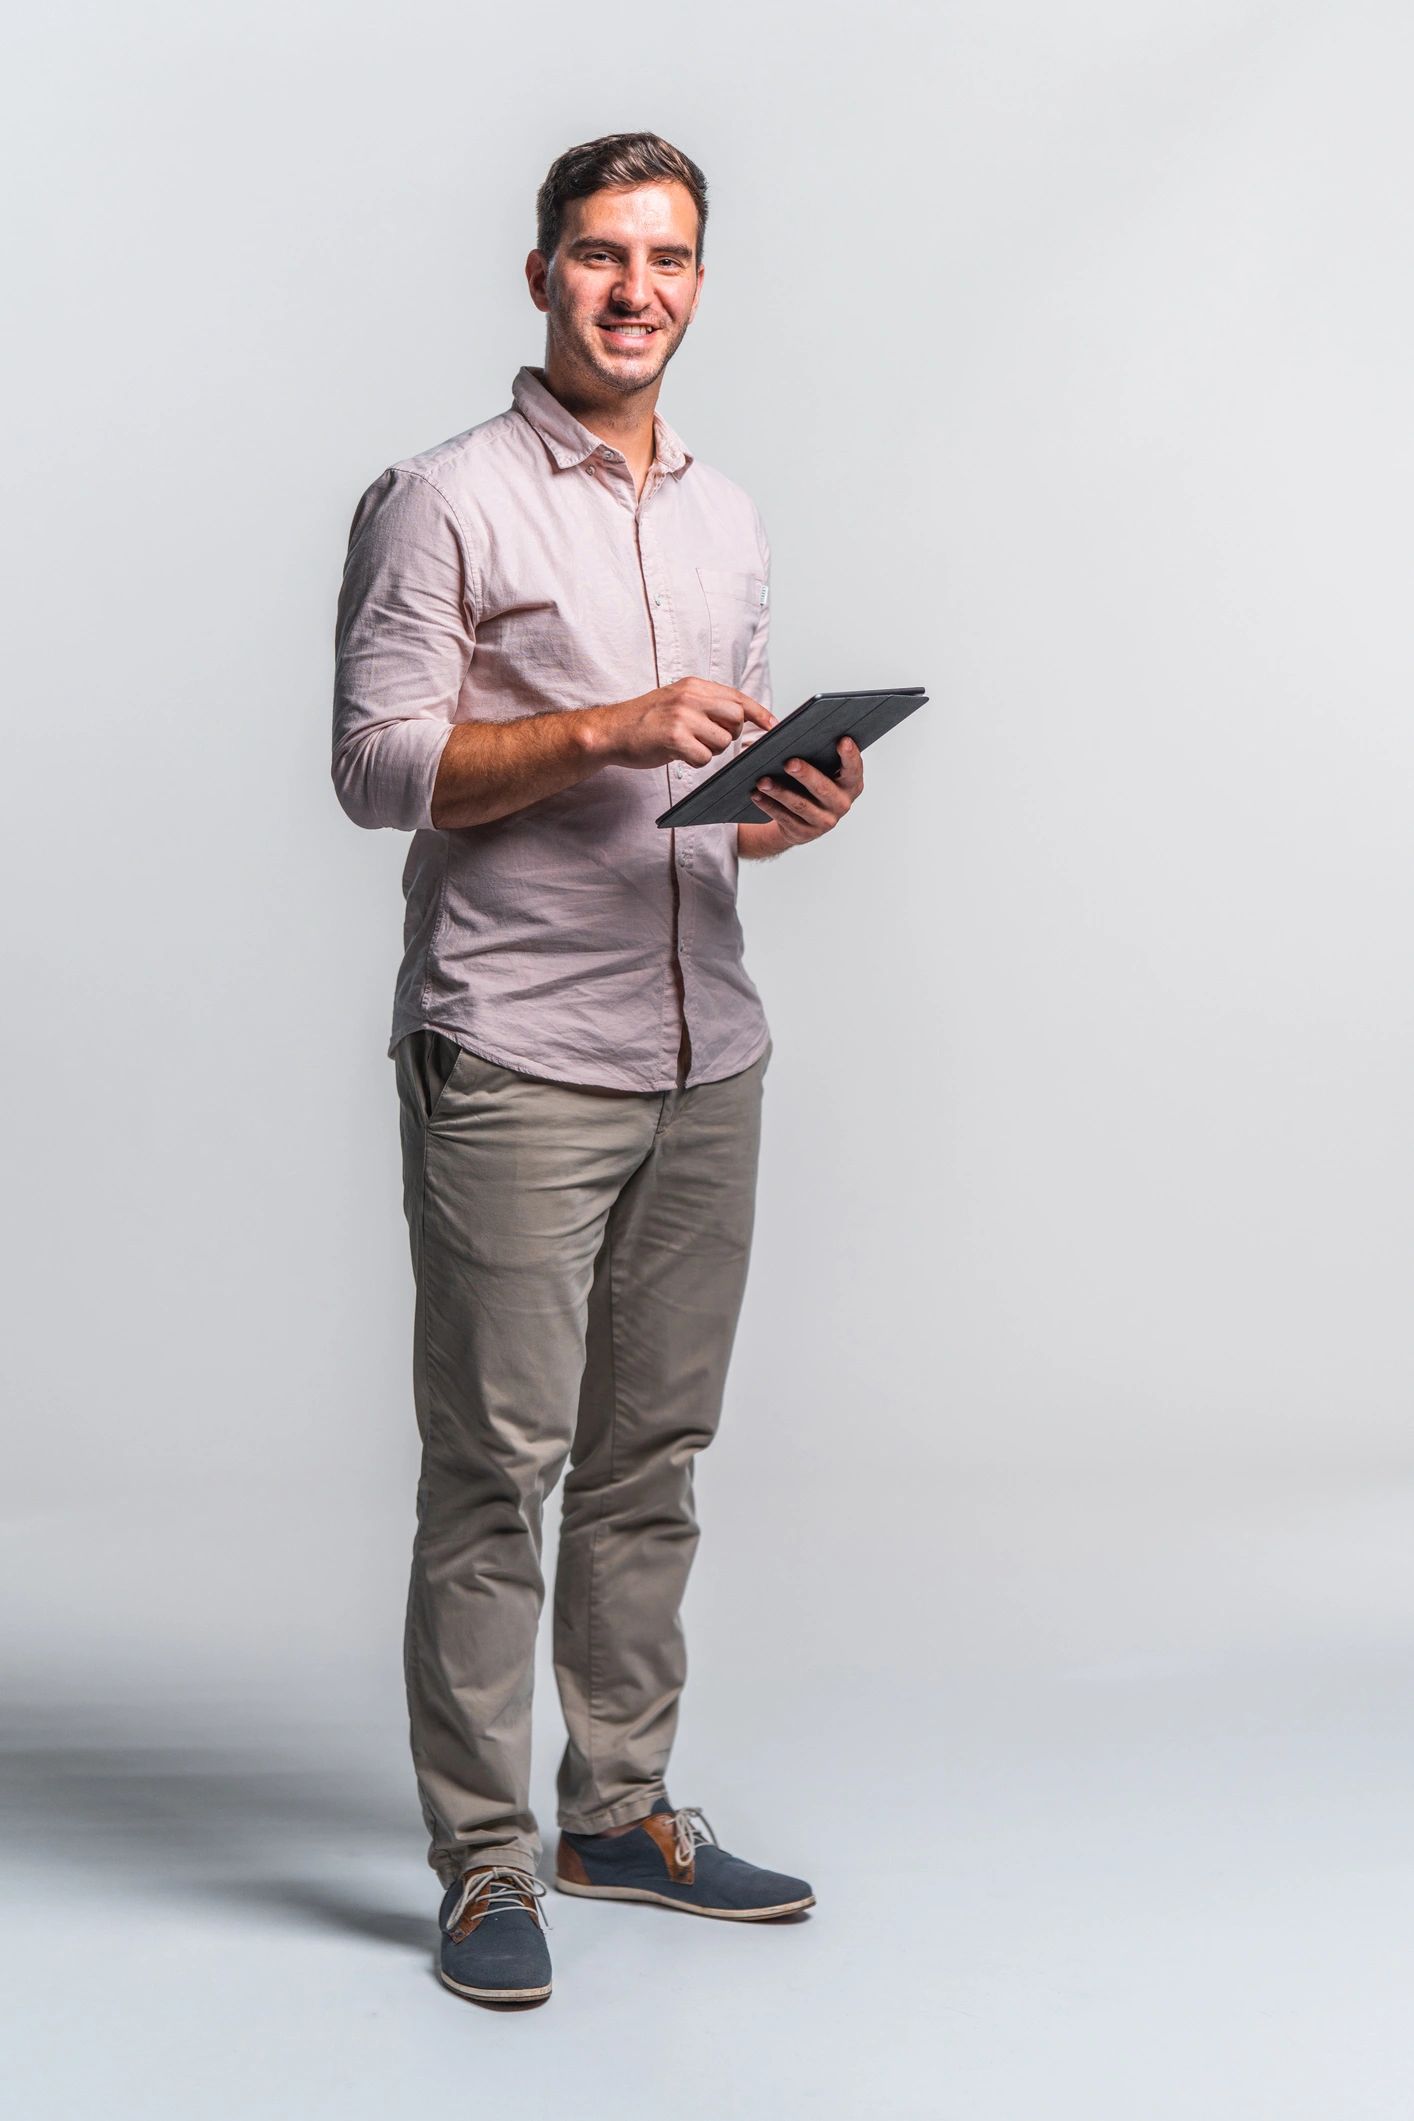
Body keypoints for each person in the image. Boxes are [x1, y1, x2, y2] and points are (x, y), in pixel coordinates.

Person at [331, 131, 865, 2007]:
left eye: (668, 257)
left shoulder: (727, 513)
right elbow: (379, 767)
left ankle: (617, 1808)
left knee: (652, 1456)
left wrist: (775, 809)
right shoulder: (441, 498)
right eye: (599, 255)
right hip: (516, 1049)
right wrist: (613, 726)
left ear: (699, 281)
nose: (635, 288)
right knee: (498, 1468)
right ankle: (485, 1861)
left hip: (704, 1042)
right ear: (540, 275)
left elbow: (689, 812)